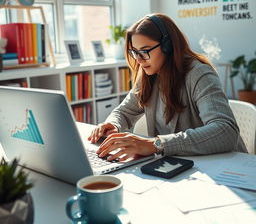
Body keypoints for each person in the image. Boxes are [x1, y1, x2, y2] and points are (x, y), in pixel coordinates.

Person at [89, 13, 247, 162]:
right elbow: (123, 112)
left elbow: (225, 131)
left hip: (225, 166)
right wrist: (113, 124)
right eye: (134, 52)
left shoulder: (199, 74)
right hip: (183, 167)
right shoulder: (148, 75)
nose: (138, 60)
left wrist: (156, 144)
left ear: (168, 46)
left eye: (144, 51)